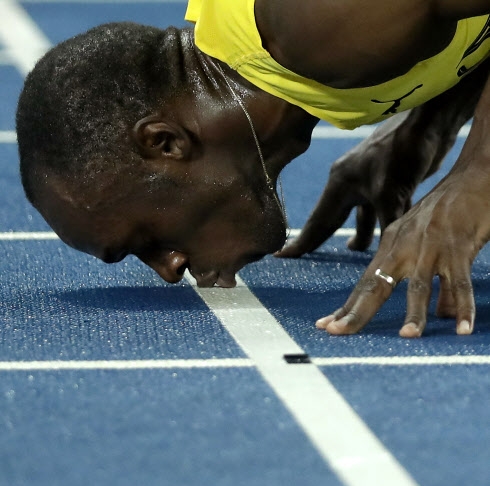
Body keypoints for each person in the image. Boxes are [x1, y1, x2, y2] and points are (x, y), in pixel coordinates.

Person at [15, 0, 490, 337]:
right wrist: (431, 121)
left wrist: (478, 172)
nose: (169, 269)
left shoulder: (319, 26)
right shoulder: (298, 62)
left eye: (146, 242)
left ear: (165, 142)